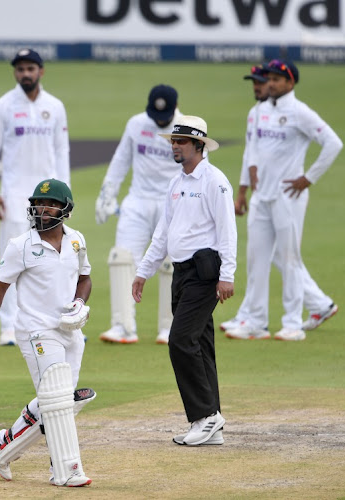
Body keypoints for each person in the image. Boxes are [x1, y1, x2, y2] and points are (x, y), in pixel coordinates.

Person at [0, 178, 94, 487]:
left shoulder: (76, 240)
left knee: (61, 403)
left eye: (50, 204)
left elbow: (85, 277)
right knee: (57, 400)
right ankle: (64, 469)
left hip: (70, 330)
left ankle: (2, 445)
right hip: (36, 331)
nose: (43, 209)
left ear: (66, 209)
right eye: (38, 203)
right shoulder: (20, 245)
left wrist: (79, 302)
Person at [132, 115, 237, 446]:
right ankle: (210, 424)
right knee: (201, 344)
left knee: (180, 341)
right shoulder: (176, 183)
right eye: (173, 141)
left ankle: (206, 416)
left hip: (205, 272)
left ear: (199, 145)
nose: (175, 146)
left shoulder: (215, 181)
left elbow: (227, 231)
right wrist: (144, 271)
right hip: (181, 273)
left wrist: (227, 275)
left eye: (181, 142)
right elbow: (163, 232)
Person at [223, 60, 342, 341]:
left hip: (289, 195)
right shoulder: (261, 110)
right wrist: (247, 181)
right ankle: (256, 321)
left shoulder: (301, 113)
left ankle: (292, 323)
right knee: (256, 259)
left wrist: (308, 177)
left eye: (278, 79)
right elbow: (252, 149)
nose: (272, 83)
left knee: (289, 259)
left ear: (291, 83)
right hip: (261, 195)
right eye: (271, 79)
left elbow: (333, 143)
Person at [0, 48, 70, 346]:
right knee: (10, 259)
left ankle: (50, 319)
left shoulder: (55, 106)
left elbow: (61, 151)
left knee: (51, 260)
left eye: (30, 68)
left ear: (41, 71)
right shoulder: (3, 106)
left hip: (50, 199)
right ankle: (9, 325)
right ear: (15, 73)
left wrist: (65, 195)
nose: (25, 74)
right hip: (14, 194)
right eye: (20, 69)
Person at [95, 84, 181, 345]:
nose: (160, 122)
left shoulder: (185, 128)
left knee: (171, 263)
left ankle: (169, 327)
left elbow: (201, 169)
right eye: (156, 118)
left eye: (164, 119)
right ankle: (122, 326)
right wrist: (106, 195)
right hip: (138, 200)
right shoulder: (136, 124)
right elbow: (121, 160)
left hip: (173, 202)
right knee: (122, 258)